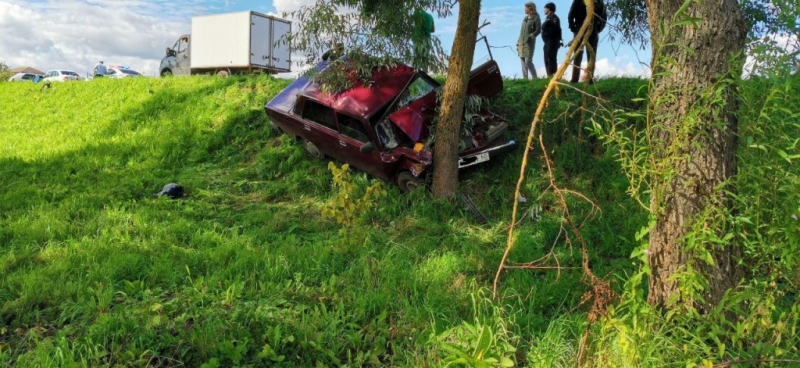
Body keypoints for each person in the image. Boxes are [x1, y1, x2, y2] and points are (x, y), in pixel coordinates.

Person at [568, 0, 607, 83]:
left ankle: (576, 79)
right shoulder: (598, 1)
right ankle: (588, 79)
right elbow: (604, 17)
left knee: (579, 55)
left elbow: (570, 15)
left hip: (584, 29)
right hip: (588, 29)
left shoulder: (597, 1)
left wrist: (573, 28)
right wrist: (598, 28)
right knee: (590, 55)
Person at [516, 2, 542, 80]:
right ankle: (525, 80)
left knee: (528, 61)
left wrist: (531, 36)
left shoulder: (536, 18)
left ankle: (535, 78)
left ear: (529, 8)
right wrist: (518, 41)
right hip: (521, 43)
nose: (524, 9)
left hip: (529, 43)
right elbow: (521, 32)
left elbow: (538, 30)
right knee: (523, 61)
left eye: (525, 8)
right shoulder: (525, 18)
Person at [541, 3, 563, 78]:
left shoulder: (554, 18)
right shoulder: (548, 18)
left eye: (545, 8)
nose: (544, 10)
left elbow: (556, 29)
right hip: (547, 42)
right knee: (546, 59)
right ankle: (549, 76)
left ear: (549, 8)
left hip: (552, 41)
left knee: (551, 59)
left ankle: (553, 76)